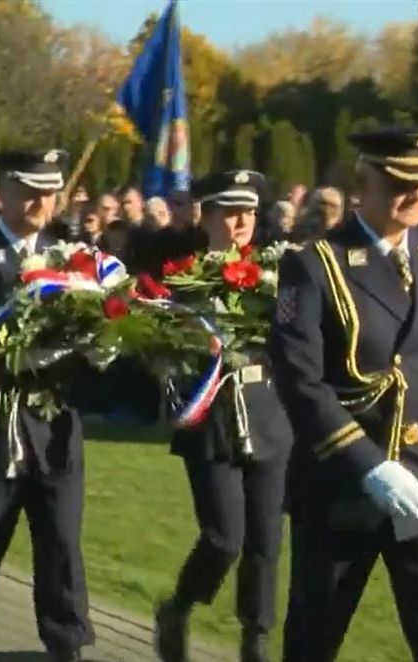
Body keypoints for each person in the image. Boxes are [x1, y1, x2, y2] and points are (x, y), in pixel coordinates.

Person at [269, 128, 418, 661]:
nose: (414, 197)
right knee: (314, 641)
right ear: (363, 185)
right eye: (398, 185)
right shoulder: (316, 264)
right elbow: (300, 379)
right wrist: (368, 465)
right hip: (344, 482)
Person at [0, 149, 90, 662]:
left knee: (61, 537)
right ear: (3, 190)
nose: (40, 202)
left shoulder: (71, 258)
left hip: (54, 420)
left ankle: (65, 641)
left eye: (49, 192)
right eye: (29, 190)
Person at [153, 171, 293, 662]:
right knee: (224, 538)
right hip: (212, 420)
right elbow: (165, 352)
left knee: (266, 541)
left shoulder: (275, 274)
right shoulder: (184, 279)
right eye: (231, 212)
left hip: (268, 414)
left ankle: (255, 641)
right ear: (206, 217)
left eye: (249, 212)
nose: (242, 222)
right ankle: (179, 607)